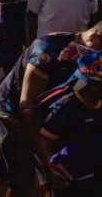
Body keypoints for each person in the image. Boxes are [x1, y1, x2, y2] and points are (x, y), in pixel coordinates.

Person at [0, 22, 102, 197]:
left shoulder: (87, 54)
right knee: (23, 179)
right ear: (94, 38)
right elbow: (26, 107)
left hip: (51, 111)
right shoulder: (47, 49)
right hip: (12, 111)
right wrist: (47, 162)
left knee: (62, 174)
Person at [37, 50, 102, 197]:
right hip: (73, 178)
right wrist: (53, 171)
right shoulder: (65, 106)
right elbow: (45, 140)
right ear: (93, 85)